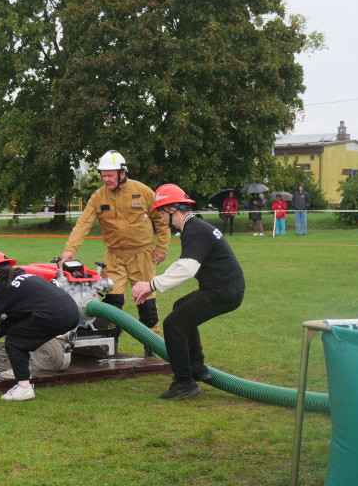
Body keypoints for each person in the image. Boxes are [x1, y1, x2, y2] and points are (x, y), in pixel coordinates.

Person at [131, 184, 245, 401]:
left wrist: (151, 285)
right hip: (225, 288)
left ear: (172, 209)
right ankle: (196, 367)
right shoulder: (193, 227)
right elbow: (182, 263)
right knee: (180, 308)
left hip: (223, 292)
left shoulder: (194, 231)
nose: (160, 217)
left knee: (173, 324)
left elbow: (187, 269)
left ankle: (184, 382)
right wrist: (153, 282)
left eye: (161, 212)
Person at [61, 151, 170, 357]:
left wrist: (162, 247)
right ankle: (110, 341)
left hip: (142, 255)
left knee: (146, 301)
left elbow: (161, 219)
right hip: (114, 257)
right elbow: (84, 223)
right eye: (103, 175)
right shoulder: (98, 197)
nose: (106, 179)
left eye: (110, 175)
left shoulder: (142, 191)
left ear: (122, 173)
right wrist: (70, 249)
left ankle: (152, 346)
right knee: (112, 301)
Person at [0, 251, 79, 401]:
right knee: (19, 332)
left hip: (54, 315)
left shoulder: (1, 288)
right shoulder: (24, 277)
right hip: (72, 312)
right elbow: (13, 319)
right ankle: (20, 369)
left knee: (14, 341)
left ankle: (24, 387)